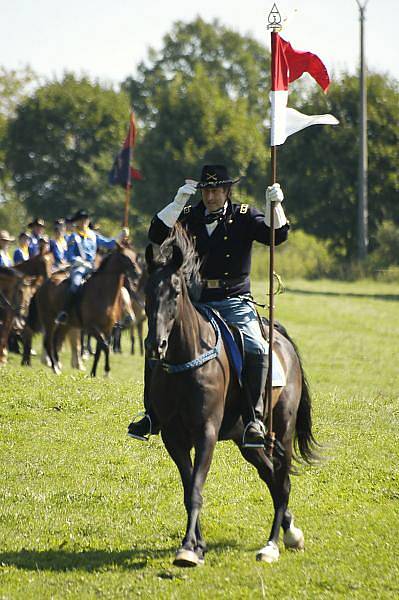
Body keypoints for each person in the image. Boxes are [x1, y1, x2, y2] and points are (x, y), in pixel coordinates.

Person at [128, 164, 289, 447]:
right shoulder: (189, 217)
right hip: (197, 300)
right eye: (206, 191)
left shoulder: (244, 216)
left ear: (227, 190)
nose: (211, 196)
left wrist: (274, 206)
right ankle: (152, 414)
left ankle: (254, 418)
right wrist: (178, 203)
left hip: (234, 301)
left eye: (216, 190)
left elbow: (276, 236)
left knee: (256, 346)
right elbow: (156, 235)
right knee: (157, 340)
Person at [54, 209, 129, 324]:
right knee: (75, 284)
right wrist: (80, 262)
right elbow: (69, 256)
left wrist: (121, 234)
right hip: (79, 267)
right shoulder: (73, 237)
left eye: (86, 219)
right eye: (81, 219)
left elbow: (110, 244)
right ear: (77, 222)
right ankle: (65, 312)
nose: (84, 221)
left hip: (93, 267)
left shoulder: (93, 235)